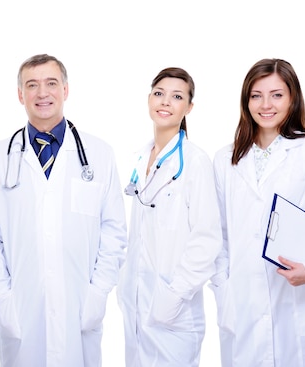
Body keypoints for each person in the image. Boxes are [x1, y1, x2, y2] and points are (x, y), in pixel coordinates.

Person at [0, 53, 128, 367]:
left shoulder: (99, 154)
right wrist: (5, 300)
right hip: (21, 309)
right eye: (32, 85)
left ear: (65, 90)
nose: (42, 93)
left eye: (51, 83)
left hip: (80, 307)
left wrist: (98, 294)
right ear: (20, 95)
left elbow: (114, 232)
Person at [211, 58, 305, 366]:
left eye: (277, 94)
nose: (266, 105)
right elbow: (217, 236)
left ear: (293, 98)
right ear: (245, 100)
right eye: (256, 95)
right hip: (244, 308)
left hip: (304, 303)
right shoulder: (224, 160)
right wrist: (224, 293)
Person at [116, 67, 222, 366]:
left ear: (188, 107)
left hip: (173, 311)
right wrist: (126, 284)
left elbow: (207, 239)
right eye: (159, 93)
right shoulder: (141, 157)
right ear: (149, 99)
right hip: (136, 303)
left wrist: (173, 296)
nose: (165, 102)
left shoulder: (196, 162)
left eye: (177, 96)